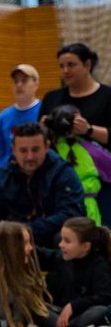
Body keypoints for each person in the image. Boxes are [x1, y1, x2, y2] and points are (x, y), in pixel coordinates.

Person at [0, 122, 85, 273]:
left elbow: (71, 214)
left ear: (47, 147)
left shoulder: (64, 173)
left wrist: (26, 231)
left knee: (65, 240)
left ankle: (66, 288)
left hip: (48, 237)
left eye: (35, 150)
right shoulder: (3, 174)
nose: (30, 156)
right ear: (14, 150)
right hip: (12, 238)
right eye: (23, 150)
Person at [40, 43, 111, 223]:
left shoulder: (107, 96)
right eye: (61, 66)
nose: (65, 71)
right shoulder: (52, 98)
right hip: (60, 177)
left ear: (87, 65)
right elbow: (40, 138)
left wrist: (89, 130)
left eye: (71, 65)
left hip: (101, 179)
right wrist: (44, 129)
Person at [39, 217, 111, 327]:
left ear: (85, 246)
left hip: (82, 315)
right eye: (61, 239)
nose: (61, 244)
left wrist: (74, 305)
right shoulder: (62, 258)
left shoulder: (99, 265)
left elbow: (104, 297)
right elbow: (41, 253)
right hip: (61, 314)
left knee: (99, 311)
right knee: (36, 307)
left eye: (67, 241)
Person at [0, 64, 41, 168]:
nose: (19, 85)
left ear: (36, 84)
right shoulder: (3, 117)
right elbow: (2, 155)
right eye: (16, 81)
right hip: (11, 172)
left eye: (24, 81)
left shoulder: (44, 111)